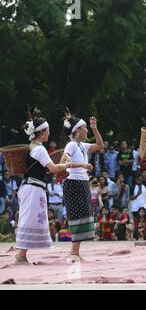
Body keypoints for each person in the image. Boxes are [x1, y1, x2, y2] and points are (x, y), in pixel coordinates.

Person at [15, 109, 72, 264]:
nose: (49, 133)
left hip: (31, 186)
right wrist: (67, 164)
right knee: (28, 219)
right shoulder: (39, 149)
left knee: (30, 218)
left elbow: (47, 168)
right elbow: (53, 168)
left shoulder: (32, 147)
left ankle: (22, 255)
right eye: (47, 130)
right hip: (33, 188)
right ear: (41, 132)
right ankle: (20, 256)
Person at [60, 108, 104, 262]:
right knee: (77, 215)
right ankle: (73, 252)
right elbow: (65, 162)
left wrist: (94, 128)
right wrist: (83, 165)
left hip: (81, 182)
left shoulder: (82, 146)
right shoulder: (71, 145)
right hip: (73, 182)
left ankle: (76, 252)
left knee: (83, 215)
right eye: (84, 127)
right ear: (77, 130)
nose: (86, 130)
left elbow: (100, 145)